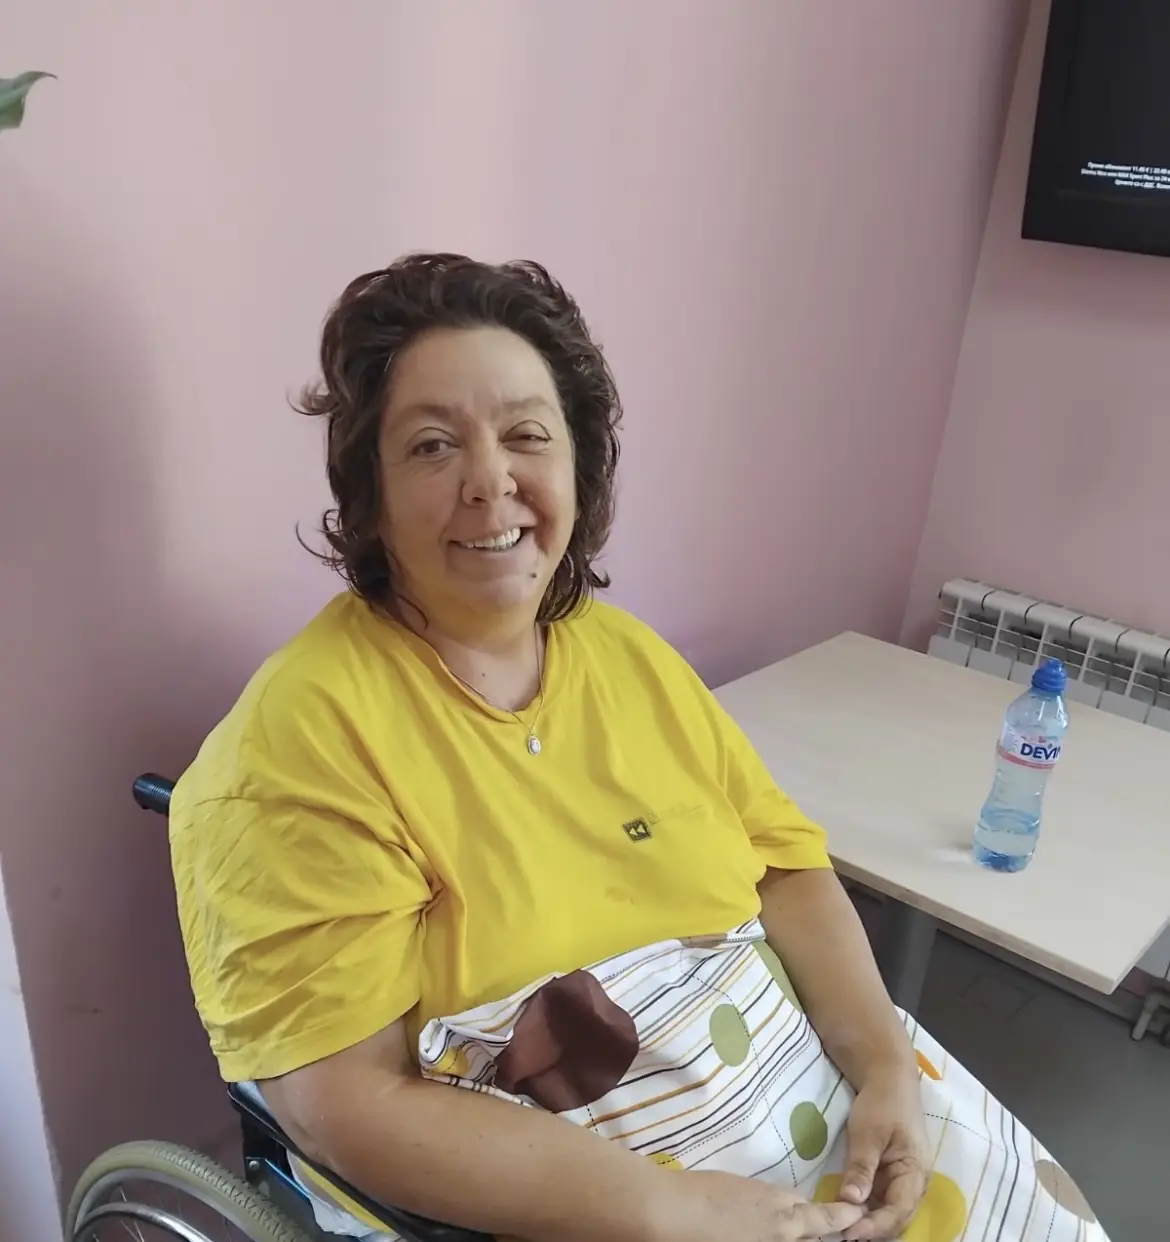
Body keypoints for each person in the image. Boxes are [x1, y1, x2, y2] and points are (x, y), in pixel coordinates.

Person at [170, 255, 1106, 1242]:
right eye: (432, 446)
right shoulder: (301, 746)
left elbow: (785, 869)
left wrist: (881, 1068)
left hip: (797, 1083)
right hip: (584, 1189)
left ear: (578, 470)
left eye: (527, 435)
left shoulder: (626, 657)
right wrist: (668, 1208)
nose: (491, 481)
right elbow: (343, 1104)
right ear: (370, 496)